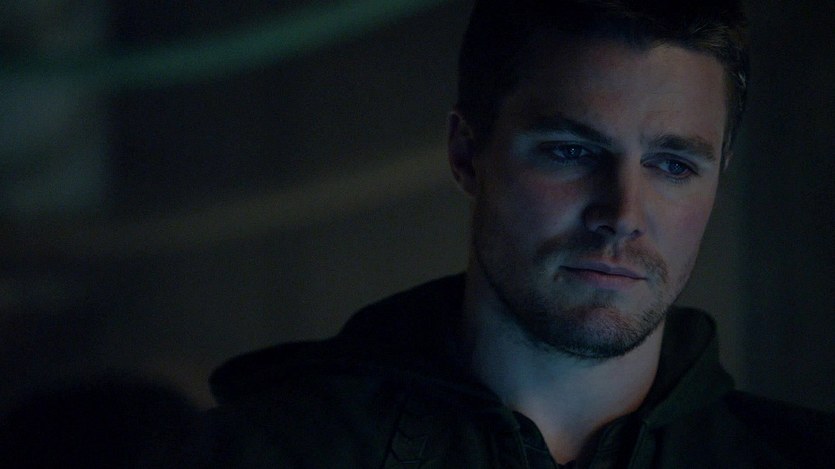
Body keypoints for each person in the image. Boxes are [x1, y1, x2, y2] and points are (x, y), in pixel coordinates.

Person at [207, 1, 835, 467]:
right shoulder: (264, 450)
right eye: (570, 151)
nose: (623, 213)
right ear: (465, 153)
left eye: (673, 165)